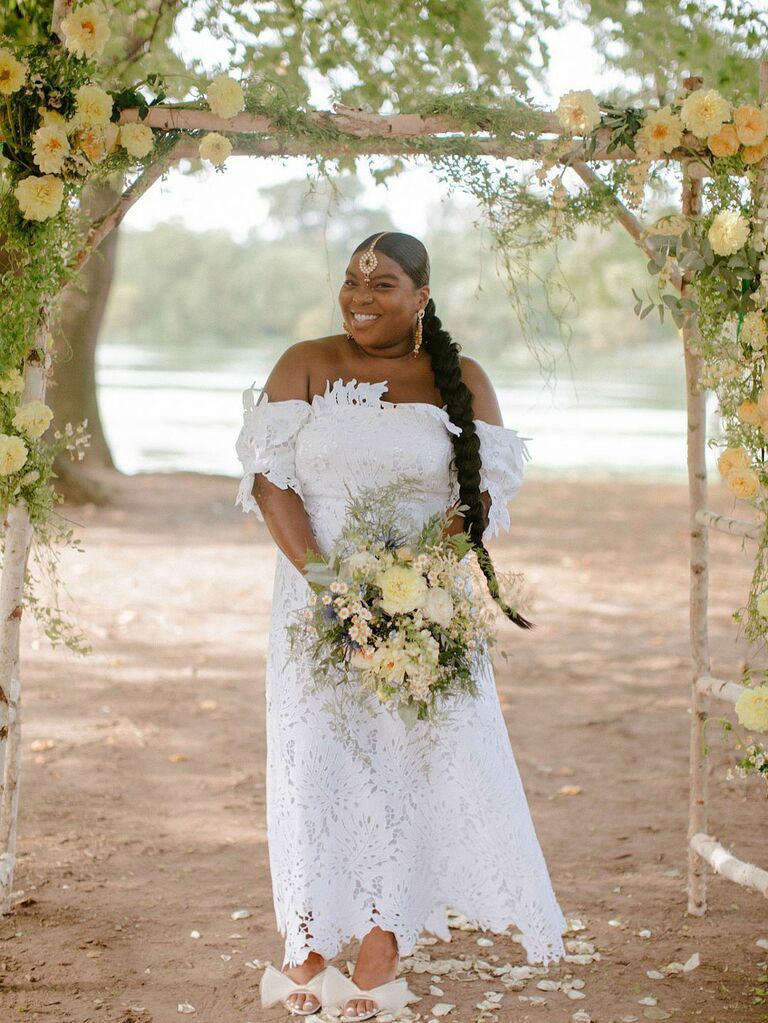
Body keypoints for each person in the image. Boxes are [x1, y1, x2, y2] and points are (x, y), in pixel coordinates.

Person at [235, 231, 566, 1020]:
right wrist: (330, 588)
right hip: (314, 601)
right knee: (315, 763)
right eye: (352, 280)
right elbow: (270, 483)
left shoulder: (464, 380)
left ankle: (383, 940)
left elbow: (476, 501)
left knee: (411, 763)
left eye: (383, 283)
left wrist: (410, 588)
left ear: (422, 296)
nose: (360, 296)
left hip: (426, 607)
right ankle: (308, 944)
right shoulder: (304, 362)